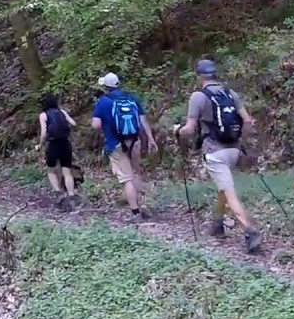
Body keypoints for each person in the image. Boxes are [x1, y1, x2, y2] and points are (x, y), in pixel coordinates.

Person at [173, 59, 262, 253]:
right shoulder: (231, 94)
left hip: (215, 153)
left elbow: (189, 129)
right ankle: (218, 224)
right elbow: (248, 120)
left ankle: (250, 230)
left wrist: (178, 131)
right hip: (234, 150)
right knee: (224, 187)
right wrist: (241, 139)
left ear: (199, 76)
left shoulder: (198, 96)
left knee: (229, 192)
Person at [91, 72, 158, 219]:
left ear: (105, 87)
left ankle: (135, 212)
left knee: (126, 179)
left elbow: (96, 125)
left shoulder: (103, 102)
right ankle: (143, 205)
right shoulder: (131, 98)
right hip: (135, 141)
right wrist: (151, 139)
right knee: (136, 172)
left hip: (116, 144)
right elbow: (143, 120)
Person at [38, 94, 77, 210]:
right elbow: (74, 123)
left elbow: (44, 132)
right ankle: (71, 195)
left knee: (51, 171)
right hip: (65, 143)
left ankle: (59, 192)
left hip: (53, 144)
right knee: (67, 171)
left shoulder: (43, 115)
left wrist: (40, 144)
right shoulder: (62, 112)